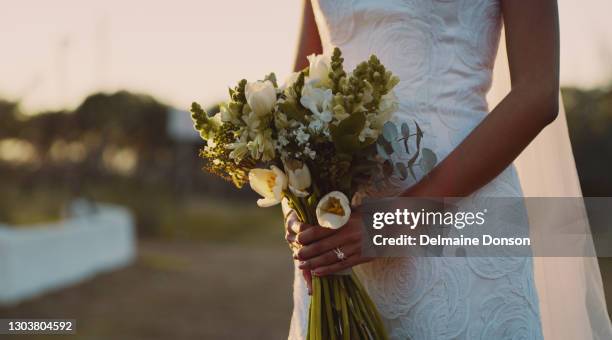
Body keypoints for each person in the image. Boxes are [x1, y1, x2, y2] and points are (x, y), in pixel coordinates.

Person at [284, 1, 612, 339]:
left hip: (458, 215)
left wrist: (401, 219)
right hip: (339, 231)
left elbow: (537, 93)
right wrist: (299, 202)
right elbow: (303, 86)